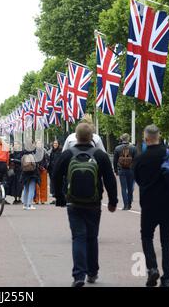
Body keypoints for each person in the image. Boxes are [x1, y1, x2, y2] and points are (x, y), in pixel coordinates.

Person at [53, 123, 118, 287]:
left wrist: (60, 197)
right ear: (92, 137)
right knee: (92, 237)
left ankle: (78, 275)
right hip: (94, 203)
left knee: (78, 237)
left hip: (73, 202)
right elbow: (110, 180)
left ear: (76, 136)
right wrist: (112, 201)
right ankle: (93, 272)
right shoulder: (100, 155)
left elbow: (56, 175)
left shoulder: (67, 154)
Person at [133, 124, 169, 287]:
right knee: (166, 241)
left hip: (149, 203)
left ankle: (152, 268)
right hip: (168, 204)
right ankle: (168, 277)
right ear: (159, 136)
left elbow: (137, 179)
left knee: (147, 236)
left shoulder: (140, 159)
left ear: (146, 138)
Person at [113, 133, 137, 210]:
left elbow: (115, 160)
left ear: (122, 139)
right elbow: (136, 160)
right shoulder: (133, 148)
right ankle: (129, 204)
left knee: (123, 188)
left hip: (122, 170)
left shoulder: (117, 148)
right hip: (131, 170)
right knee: (130, 188)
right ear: (128, 138)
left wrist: (115, 170)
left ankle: (125, 205)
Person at [20, 143, 40, 210]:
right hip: (32, 174)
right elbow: (34, 164)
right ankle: (29, 204)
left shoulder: (23, 154)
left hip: (25, 173)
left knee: (26, 188)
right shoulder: (32, 155)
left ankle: (24, 204)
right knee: (31, 189)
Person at [34, 140, 49, 205]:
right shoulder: (34, 152)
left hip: (43, 170)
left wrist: (45, 167)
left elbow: (47, 160)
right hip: (36, 170)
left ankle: (43, 199)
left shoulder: (44, 151)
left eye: (40, 143)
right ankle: (36, 199)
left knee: (43, 185)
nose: (39, 145)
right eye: (37, 143)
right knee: (36, 186)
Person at [47, 140, 62, 205]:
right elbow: (50, 161)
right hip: (52, 171)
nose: (55, 144)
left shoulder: (60, 152)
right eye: (54, 143)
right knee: (53, 184)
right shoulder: (52, 151)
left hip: (58, 171)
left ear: (58, 144)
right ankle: (55, 198)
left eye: (56, 143)